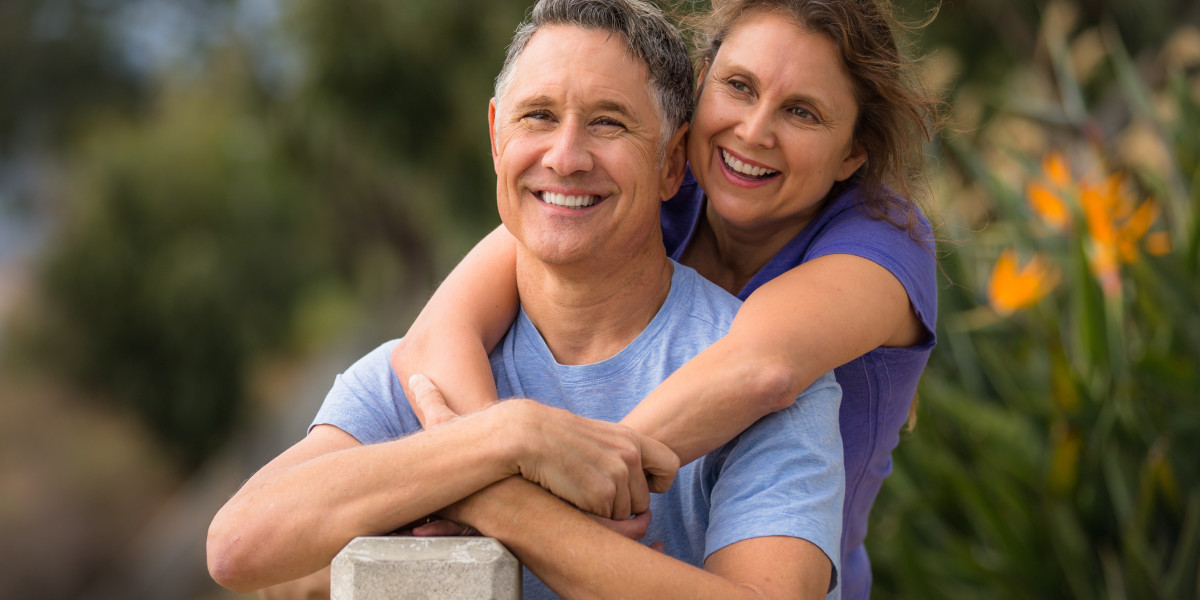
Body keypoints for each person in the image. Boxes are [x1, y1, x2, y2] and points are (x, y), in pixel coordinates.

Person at [206, 1, 846, 598]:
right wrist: (509, 435)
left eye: (607, 123)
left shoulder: (757, 385)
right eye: (537, 116)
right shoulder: (425, 372)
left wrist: (494, 501)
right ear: (495, 136)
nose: (565, 157)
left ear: (672, 161)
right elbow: (238, 546)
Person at [391, 0, 940, 597]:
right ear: (701, 80)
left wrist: (511, 500)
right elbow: (437, 335)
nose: (754, 131)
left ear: (852, 153)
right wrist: (489, 470)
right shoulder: (645, 187)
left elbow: (761, 370)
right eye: (738, 86)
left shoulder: (883, 246)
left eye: (802, 112)